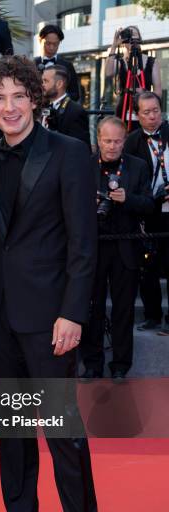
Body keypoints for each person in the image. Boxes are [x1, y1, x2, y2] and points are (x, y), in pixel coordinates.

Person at [0, 55, 102, 512]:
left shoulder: (70, 153)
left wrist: (73, 312)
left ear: (35, 98)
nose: (9, 107)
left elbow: (83, 244)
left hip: (51, 316)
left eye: (18, 96)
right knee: (11, 428)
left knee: (62, 429)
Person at [80, 117, 153, 379]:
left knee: (123, 310)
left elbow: (149, 204)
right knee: (92, 309)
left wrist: (128, 199)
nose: (112, 146)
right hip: (93, 248)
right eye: (107, 140)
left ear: (125, 141)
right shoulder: (83, 167)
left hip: (126, 248)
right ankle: (92, 364)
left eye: (117, 141)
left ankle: (121, 366)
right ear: (98, 140)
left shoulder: (138, 166)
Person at [124, 91, 169, 333]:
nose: (153, 117)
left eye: (156, 111)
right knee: (148, 267)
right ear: (136, 115)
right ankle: (152, 316)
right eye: (146, 113)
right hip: (148, 212)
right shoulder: (131, 142)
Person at [105, 26, 162, 128]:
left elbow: (158, 92)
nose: (132, 39)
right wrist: (114, 44)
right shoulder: (120, 62)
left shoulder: (151, 62)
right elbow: (108, 73)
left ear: (139, 38)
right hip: (123, 112)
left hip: (145, 112)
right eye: (129, 35)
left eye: (134, 34)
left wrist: (145, 94)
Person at [41, 65, 91, 150]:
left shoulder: (75, 111)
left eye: (45, 81)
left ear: (59, 84)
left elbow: (81, 148)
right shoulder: (44, 106)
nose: (42, 85)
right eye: (42, 81)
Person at [34, 25, 80, 102]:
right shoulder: (31, 65)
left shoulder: (67, 66)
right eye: (48, 43)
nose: (51, 48)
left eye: (55, 44)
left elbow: (75, 94)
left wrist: (60, 101)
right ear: (40, 40)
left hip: (61, 112)